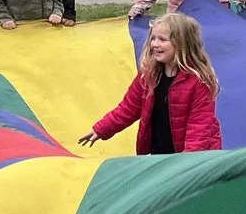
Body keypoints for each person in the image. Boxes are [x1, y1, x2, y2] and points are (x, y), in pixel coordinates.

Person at [81, 13, 223, 153]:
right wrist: (101, 129)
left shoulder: (199, 81)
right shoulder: (149, 75)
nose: (154, 44)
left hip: (192, 157)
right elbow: (128, 108)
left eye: (162, 39)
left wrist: (187, 163)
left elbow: (198, 128)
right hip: (160, 153)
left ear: (182, 44)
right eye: (153, 38)